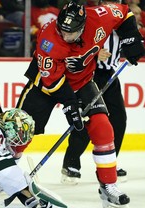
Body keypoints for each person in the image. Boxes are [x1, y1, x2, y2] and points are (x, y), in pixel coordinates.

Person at [16, 1, 145, 208]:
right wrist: (70, 107)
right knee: (20, 130)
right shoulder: (49, 38)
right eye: (63, 31)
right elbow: (53, 81)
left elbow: (123, 13)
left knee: (103, 128)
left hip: (82, 82)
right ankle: (1, 174)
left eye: (72, 33)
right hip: (46, 86)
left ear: (84, 26)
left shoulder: (99, 17)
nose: (66, 37)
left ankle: (108, 185)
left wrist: (132, 39)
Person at [61, 0, 128, 185]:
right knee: (88, 118)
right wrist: (94, 53)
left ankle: (110, 163)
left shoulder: (124, 20)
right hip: (90, 74)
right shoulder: (92, 17)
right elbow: (75, 43)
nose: (113, 4)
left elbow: (133, 39)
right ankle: (71, 164)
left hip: (111, 75)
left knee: (119, 119)